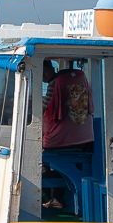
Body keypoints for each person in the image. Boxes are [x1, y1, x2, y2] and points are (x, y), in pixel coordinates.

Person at [41, 60, 94, 209]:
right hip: (84, 139)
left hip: (59, 143)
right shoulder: (76, 81)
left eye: (45, 72)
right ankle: (57, 198)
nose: (43, 75)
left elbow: (45, 107)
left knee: (43, 163)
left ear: (53, 69)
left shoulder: (54, 84)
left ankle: (55, 198)